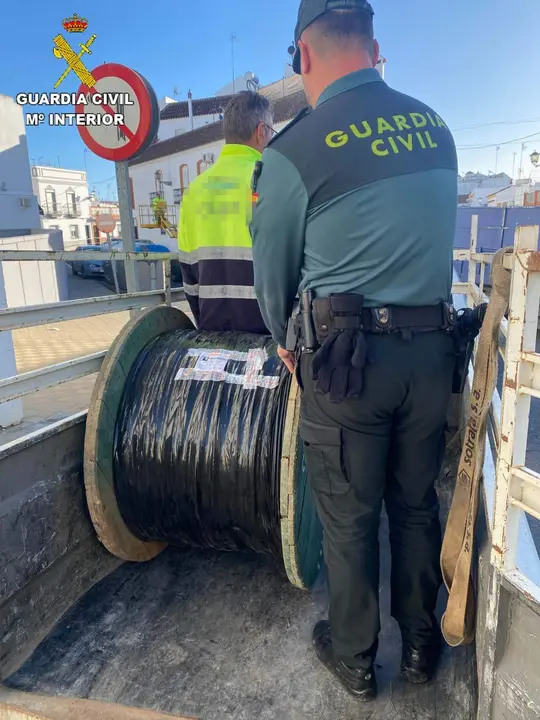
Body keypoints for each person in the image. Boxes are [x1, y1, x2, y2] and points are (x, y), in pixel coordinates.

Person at [251, 0, 458, 703]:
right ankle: (424, 644)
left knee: (348, 517)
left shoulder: (291, 152)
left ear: (303, 56)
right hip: (433, 357)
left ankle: (355, 657)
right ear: (374, 45)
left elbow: (273, 276)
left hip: (345, 368)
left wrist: (287, 343)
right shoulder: (436, 127)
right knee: (415, 504)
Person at [178, 91, 275, 332]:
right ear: (261, 131)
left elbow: (189, 276)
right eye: (271, 132)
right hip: (268, 336)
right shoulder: (271, 180)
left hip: (213, 334)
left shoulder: (194, 191)